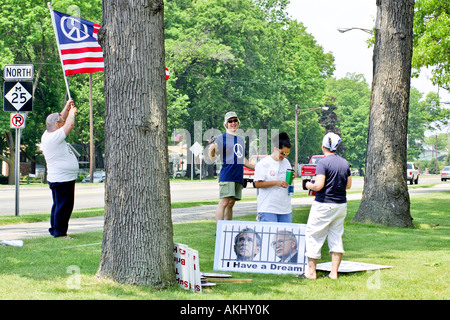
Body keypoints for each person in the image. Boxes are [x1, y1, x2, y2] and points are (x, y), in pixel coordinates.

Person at [303, 132, 352, 279]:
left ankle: (311, 272)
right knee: (336, 237)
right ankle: (334, 272)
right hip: (340, 204)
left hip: (324, 204)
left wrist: (308, 184)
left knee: (314, 235)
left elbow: (318, 185)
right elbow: (348, 185)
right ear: (337, 146)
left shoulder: (323, 163)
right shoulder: (345, 163)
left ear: (323, 146)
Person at [41, 98, 79, 238]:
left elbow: (62, 119)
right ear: (57, 124)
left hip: (59, 177)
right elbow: (69, 125)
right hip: (62, 179)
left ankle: (55, 230)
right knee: (64, 207)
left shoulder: (48, 134)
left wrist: (67, 108)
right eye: (60, 121)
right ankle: (60, 233)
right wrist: (72, 113)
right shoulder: (55, 137)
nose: (63, 121)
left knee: (58, 205)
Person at [209, 112, 255, 221]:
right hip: (227, 175)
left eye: (235, 120)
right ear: (226, 124)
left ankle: (227, 228)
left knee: (231, 203)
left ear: (238, 123)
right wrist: (211, 149)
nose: (233, 123)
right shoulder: (220, 138)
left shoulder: (240, 139)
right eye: (230, 121)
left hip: (238, 176)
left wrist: (257, 168)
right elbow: (212, 158)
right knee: (224, 202)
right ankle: (220, 230)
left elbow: (242, 159)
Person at [254, 132, 294, 223]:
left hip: (285, 209)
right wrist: (276, 183)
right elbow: (257, 184)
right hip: (268, 208)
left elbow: (287, 181)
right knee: (268, 236)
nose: (284, 156)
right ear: (275, 148)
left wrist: (292, 177)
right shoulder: (264, 163)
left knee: (285, 237)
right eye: (282, 152)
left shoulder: (286, 163)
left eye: (287, 153)